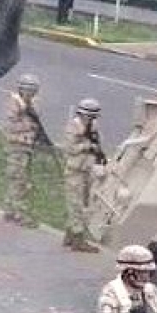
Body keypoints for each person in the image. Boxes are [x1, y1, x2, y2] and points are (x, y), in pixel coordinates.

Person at [64, 98, 106, 253]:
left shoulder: (93, 127)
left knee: (83, 203)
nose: (91, 120)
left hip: (86, 169)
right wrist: (87, 145)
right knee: (76, 205)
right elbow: (70, 148)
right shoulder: (74, 125)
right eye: (89, 116)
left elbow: (97, 143)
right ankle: (78, 239)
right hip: (75, 170)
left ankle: (70, 234)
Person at [4, 74, 44, 226]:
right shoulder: (15, 104)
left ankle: (10, 209)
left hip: (26, 146)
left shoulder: (31, 104)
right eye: (30, 92)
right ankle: (18, 213)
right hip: (17, 145)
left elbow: (36, 119)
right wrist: (30, 127)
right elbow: (11, 126)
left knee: (18, 178)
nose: (33, 95)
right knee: (20, 180)